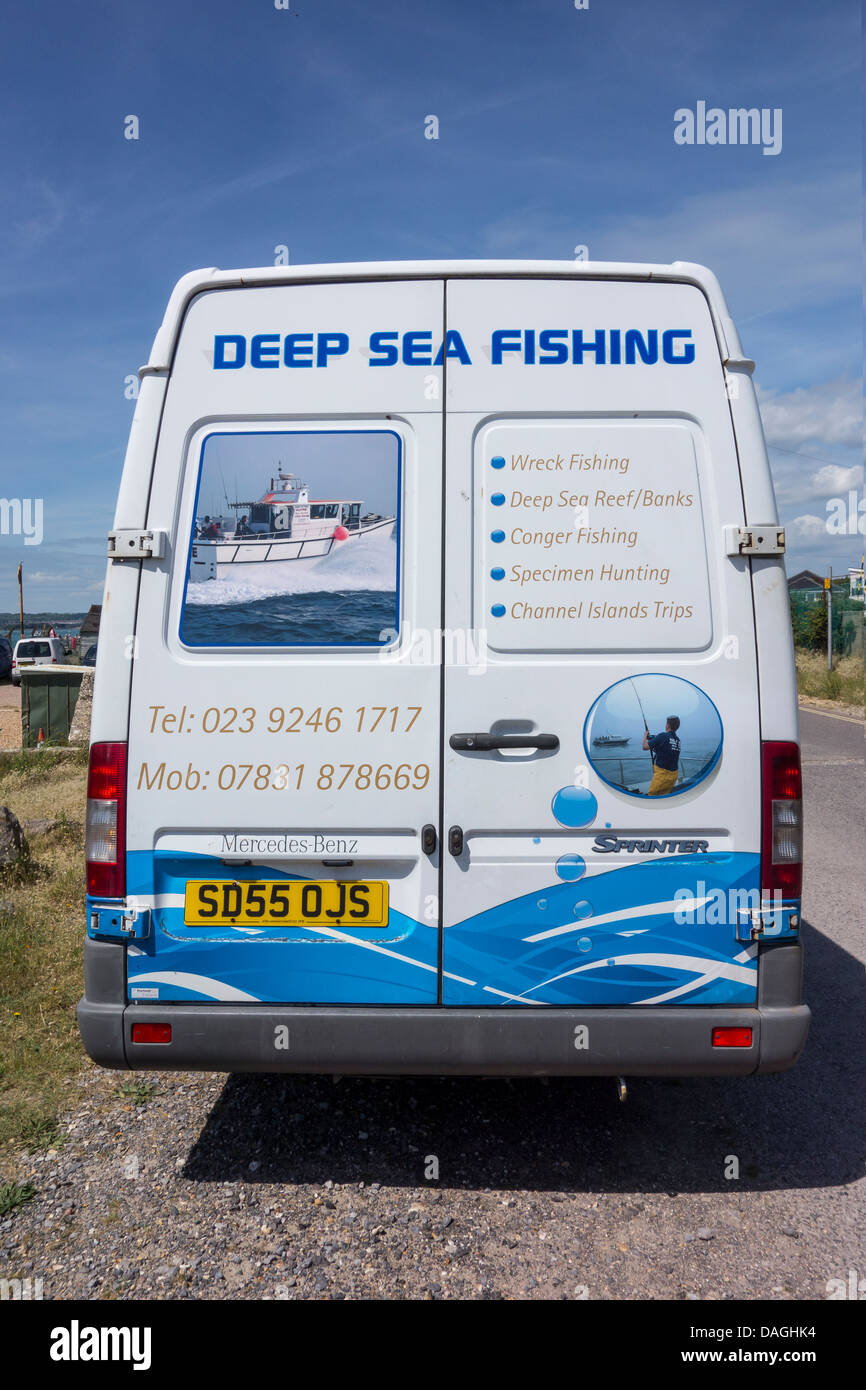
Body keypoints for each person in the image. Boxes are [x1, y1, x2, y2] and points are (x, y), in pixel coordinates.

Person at [643, 715, 681, 796]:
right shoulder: (677, 740)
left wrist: (645, 736)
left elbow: (645, 747)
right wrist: (652, 738)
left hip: (663, 775)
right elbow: (665, 746)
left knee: (652, 796)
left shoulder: (663, 736)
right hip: (674, 775)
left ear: (668, 725)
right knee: (665, 796)